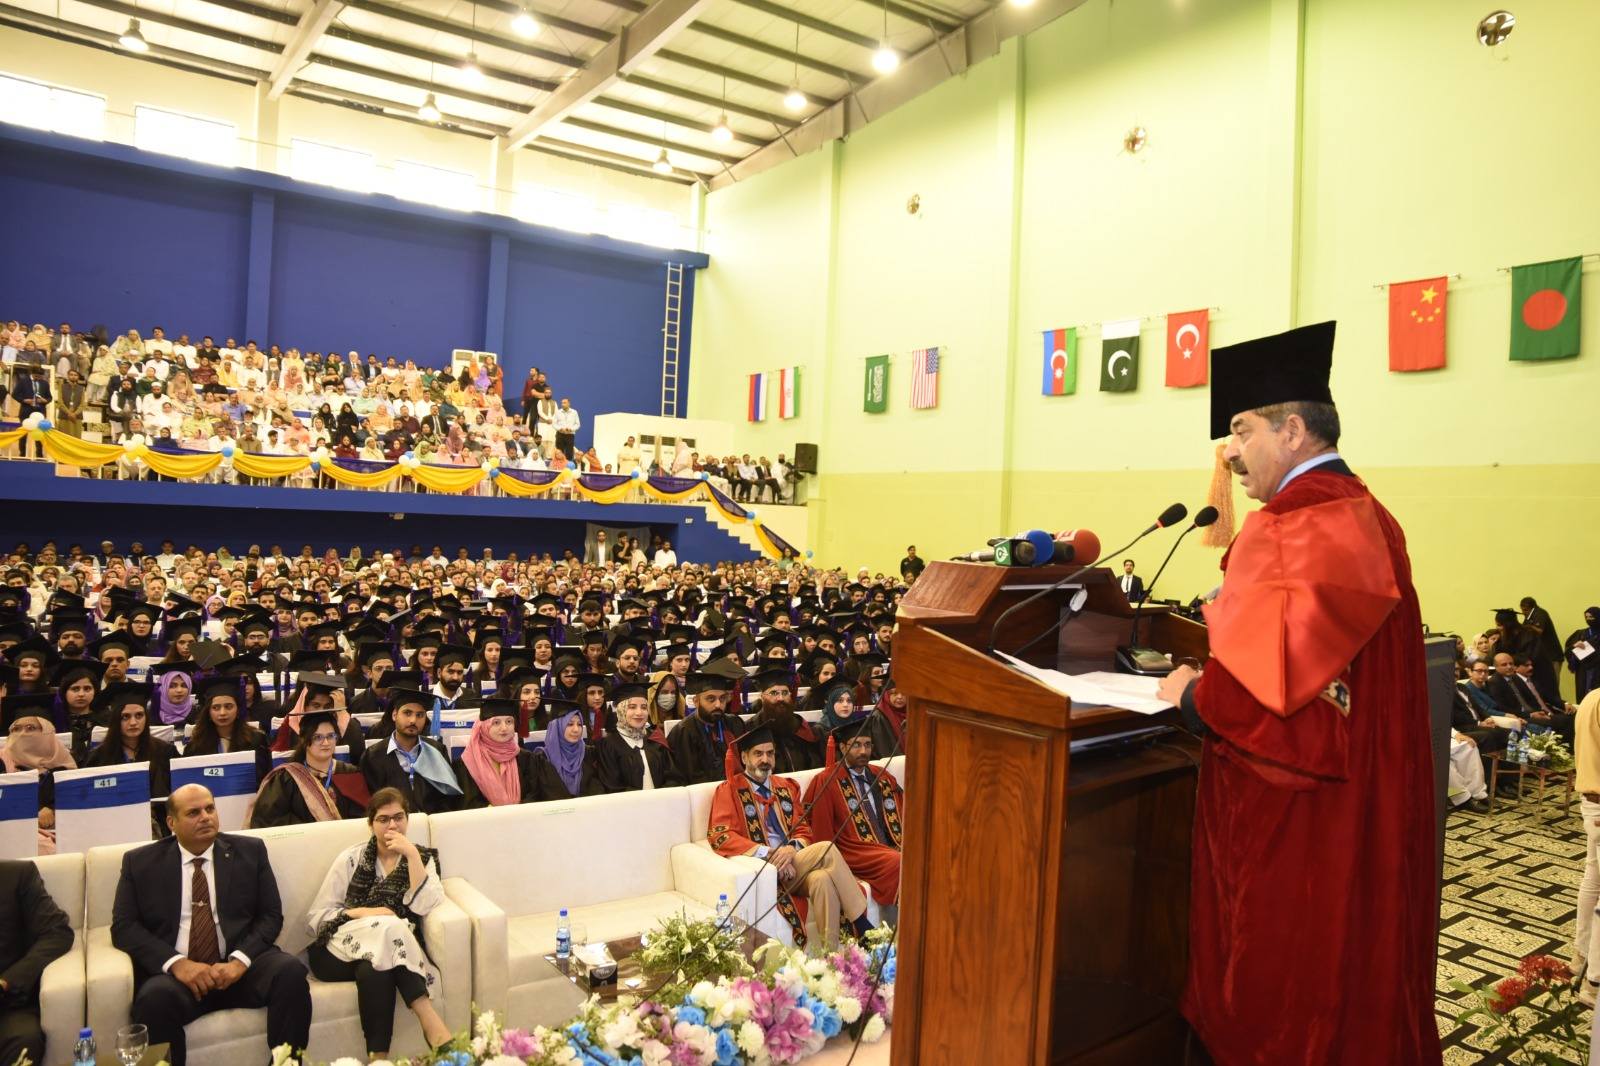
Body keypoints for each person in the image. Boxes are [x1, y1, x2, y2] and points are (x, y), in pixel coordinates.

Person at [1155, 322, 1441, 1065]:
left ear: (1291, 430)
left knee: (1285, 998)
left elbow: (1262, 705)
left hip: (1298, 829)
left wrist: (1190, 695)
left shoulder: (1288, 527)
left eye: (1241, 430)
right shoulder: (1371, 514)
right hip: (1368, 801)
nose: (1229, 453)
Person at [111, 784, 313, 1066]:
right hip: (180, 978)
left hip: (239, 968)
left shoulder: (250, 851)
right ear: (171, 823)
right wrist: (178, 964)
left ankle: (287, 1064)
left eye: (210, 808)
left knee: (290, 972)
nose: (205, 817)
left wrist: (240, 961)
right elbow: (124, 927)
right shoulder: (140, 863)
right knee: (153, 1000)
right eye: (193, 812)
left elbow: (271, 915)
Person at [305, 788, 452, 1057]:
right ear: (371, 824)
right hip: (335, 952)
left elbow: (424, 905)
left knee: (377, 966)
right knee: (391, 925)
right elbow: (318, 918)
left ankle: (378, 1059)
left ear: (407, 819)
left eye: (399, 817)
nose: (392, 825)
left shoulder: (421, 858)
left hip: (387, 950)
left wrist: (412, 856)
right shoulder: (352, 858)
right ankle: (431, 1023)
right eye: (383, 819)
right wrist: (363, 913)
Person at [708, 726, 872, 950]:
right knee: (826, 848)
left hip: (794, 868)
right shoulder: (729, 790)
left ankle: (831, 956)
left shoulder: (785, 787)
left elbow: (803, 828)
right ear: (744, 757)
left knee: (822, 880)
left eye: (770, 753)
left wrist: (790, 850)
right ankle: (863, 925)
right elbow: (721, 835)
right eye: (758, 754)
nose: (765, 760)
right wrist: (770, 854)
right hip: (766, 869)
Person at [803, 720, 904, 926]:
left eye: (867, 745)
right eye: (856, 745)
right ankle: (896, 927)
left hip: (887, 846)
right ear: (842, 747)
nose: (863, 751)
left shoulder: (882, 776)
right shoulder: (828, 780)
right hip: (853, 851)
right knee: (898, 861)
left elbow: (903, 815)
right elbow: (822, 832)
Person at [0, 856, 74, 1066]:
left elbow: (57, 933)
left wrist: (6, 981)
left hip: (8, 1005)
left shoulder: (16, 875)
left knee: (24, 1041)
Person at [248, 711, 368, 827]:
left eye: (331, 736)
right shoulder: (287, 778)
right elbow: (269, 819)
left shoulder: (350, 774)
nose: (326, 742)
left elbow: (363, 818)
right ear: (304, 740)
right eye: (318, 737)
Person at [361, 688, 463, 814]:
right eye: (407, 713)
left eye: (419, 715)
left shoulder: (436, 750)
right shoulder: (373, 756)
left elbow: (448, 799)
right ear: (394, 715)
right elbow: (371, 802)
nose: (413, 720)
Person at [593, 683, 682, 792]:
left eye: (644, 707)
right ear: (621, 711)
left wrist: (661, 796)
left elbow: (673, 776)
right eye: (632, 707)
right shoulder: (608, 745)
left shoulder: (655, 738)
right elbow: (612, 786)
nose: (639, 713)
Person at [452, 699, 538, 808]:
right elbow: (467, 802)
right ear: (483, 726)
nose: (504, 728)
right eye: (496, 723)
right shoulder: (466, 763)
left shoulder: (526, 758)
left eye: (509, 722)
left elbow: (535, 794)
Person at [1572, 686, 1600, 1006]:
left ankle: (1581, 955)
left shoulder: (1592, 696)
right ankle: (1594, 981)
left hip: (1590, 800)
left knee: (1592, 880)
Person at [667, 673, 747, 784]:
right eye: (711, 699)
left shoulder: (735, 724)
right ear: (696, 701)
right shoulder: (683, 732)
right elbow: (688, 776)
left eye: (722, 698)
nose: (718, 705)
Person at [532, 706, 602, 800]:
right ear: (557, 727)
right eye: (570, 724)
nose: (576, 729)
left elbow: (596, 788)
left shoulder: (588, 753)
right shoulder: (542, 758)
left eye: (579, 724)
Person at [1568, 607, 1600, 702]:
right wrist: (1575, 647)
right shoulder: (1580, 633)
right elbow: (1569, 650)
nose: (1588, 619)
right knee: (1583, 696)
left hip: (1597, 670)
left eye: (1591, 617)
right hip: (1583, 671)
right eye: (1586, 617)